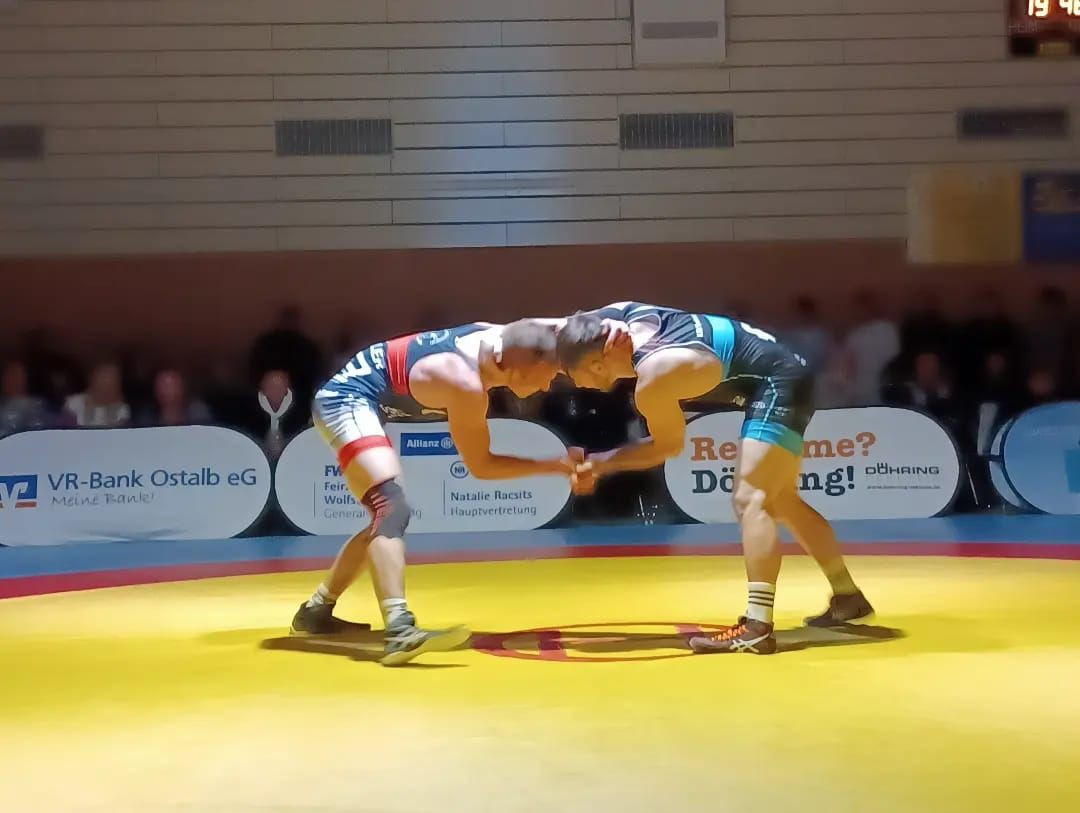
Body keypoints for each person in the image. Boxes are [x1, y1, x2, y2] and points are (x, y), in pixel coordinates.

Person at [555, 303, 872, 656]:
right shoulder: (630, 315)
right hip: (783, 370)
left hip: (778, 382)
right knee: (782, 499)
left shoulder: (655, 376)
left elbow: (668, 447)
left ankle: (757, 627)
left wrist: (600, 464)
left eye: (571, 374)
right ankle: (847, 596)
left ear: (596, 364)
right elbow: (564, 325)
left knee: (751, 498)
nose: (574, 383)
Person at [295, 320, 580, 666]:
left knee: (384, 518)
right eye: (546, 375)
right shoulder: (464, 382)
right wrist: (555, 466)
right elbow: (482, 466)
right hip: (346, 398)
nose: (548, 385)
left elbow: (557, 324)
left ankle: (316, 611)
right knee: (390, 507)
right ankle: (400, 630)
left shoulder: (501, 338)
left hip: (366, 396)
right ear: (520, 368)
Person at [64, 360, 130, 428]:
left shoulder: (122, 410)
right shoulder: (73, 404)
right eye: (103, 378)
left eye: (112, 380)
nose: (107, 384)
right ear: (93, 380)